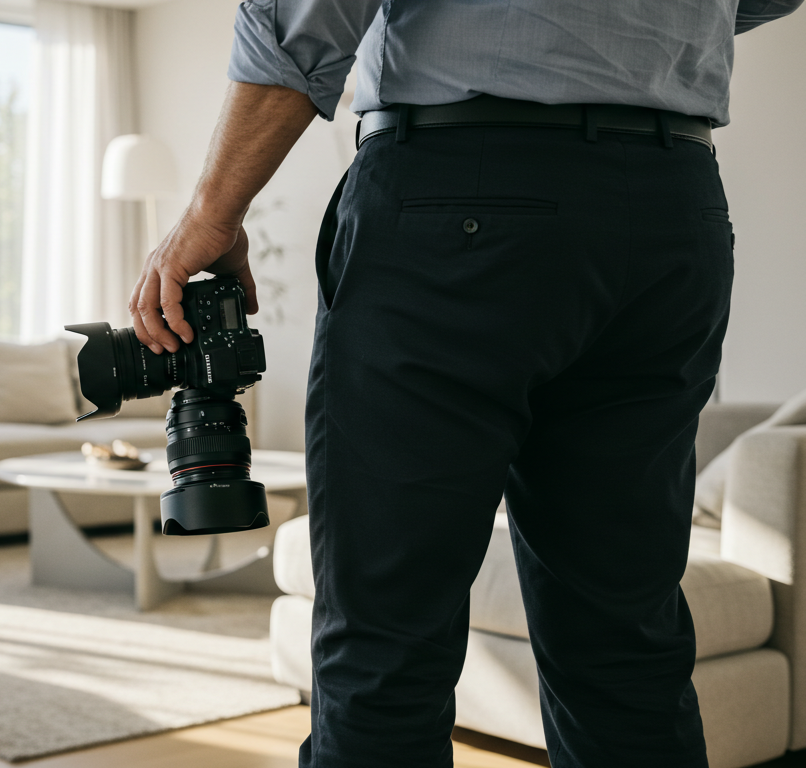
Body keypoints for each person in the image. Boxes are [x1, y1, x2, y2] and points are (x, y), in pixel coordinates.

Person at [126, 0, 804, 765]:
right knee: (625, 643)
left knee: (386, 645)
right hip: (670, 213)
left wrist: (212, 211)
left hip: (462, 205)